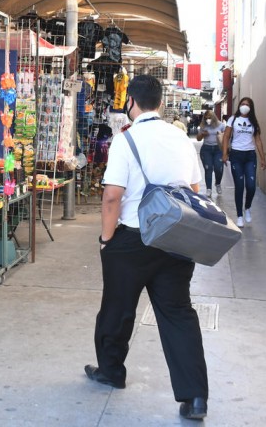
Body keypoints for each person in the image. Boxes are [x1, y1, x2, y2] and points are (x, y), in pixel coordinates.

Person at [85, 74, 208, 421]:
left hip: (133, 238)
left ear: (131, 102)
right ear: (160, 103)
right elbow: (195, 190)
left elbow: (112, 196)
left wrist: (106, 240)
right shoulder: (180, 137)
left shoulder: (127, 139)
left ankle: (111, 371)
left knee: (117, 308)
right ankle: (195, 397)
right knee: (178, 314)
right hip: (176, 237)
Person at [221, 97, 266, 228]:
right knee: (239, 186)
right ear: (239, 105)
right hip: (236, 155)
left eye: (247, 104)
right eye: (242, 104)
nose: (244, 106)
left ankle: (247, 207)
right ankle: (240, 215)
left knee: (251, 186)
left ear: (251, 108)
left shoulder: (253, 122)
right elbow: (226, 136)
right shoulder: (233, 119)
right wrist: (224, 153)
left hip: (250, 156)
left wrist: (263, 158)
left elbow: (258, 140)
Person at [196, 110, 226, 198]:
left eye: (209, 118)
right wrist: (202, 134)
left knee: (218, 168)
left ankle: (218, 183)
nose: (208, 120)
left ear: (213, 118)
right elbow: (198, 138)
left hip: (218, 149)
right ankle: (208, 188)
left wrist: (220, 134)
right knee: (208, 168)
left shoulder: (221, 125)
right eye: (206, 118)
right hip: (206, 149)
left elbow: (226, 137)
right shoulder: (203, 125)